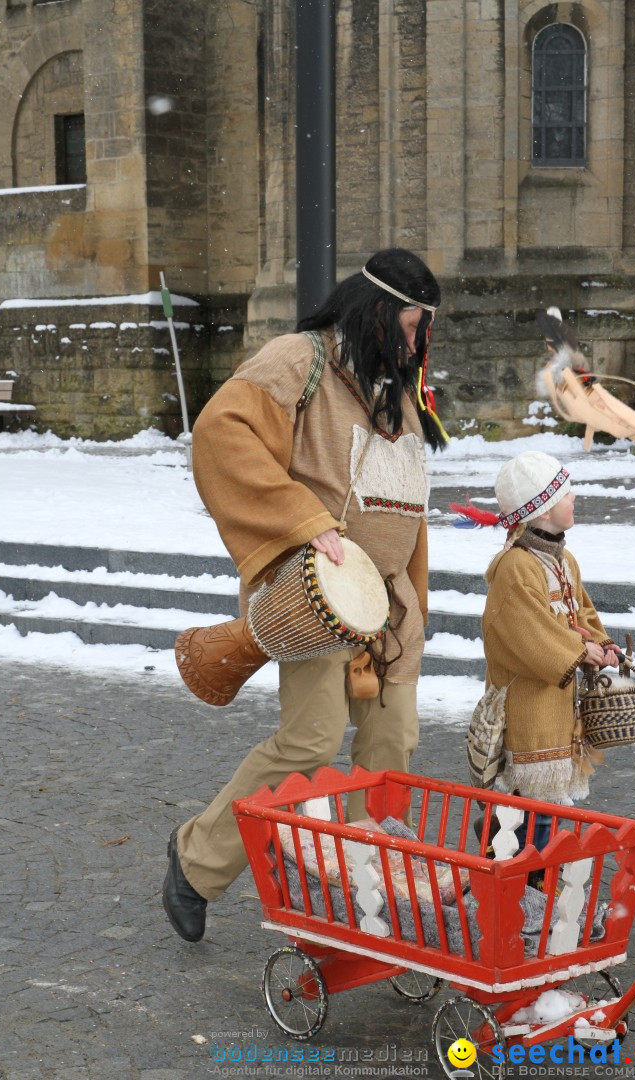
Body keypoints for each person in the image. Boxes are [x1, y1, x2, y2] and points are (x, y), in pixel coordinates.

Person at [163, 248, 445, 943]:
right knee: (310, 741)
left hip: (389, 609)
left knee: (393, 744)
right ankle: (197, 860)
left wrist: (410, 601)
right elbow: (221, 435)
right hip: (315, 593)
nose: (416, 343)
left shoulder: (396, 391)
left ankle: (368, 899)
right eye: (411, 326)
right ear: (379, 312)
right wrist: (306, 522)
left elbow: (405, 509)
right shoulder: (298, 360)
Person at [471, 451, 620, 854]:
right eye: (566, 493)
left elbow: (581, 610)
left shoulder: (563, 559)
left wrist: (601, 642)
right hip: (529, 709)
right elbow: (527, 633)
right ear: (542, 507)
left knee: (549, 809)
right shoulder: (516, 566)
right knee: (521, 806)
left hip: (558, 707)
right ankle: (504, 877)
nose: (574, 499)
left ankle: (537, 880)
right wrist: (579, 650)